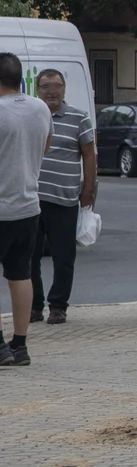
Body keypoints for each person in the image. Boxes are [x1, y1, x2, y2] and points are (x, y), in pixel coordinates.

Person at [30, 69, 96, 326]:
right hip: (31, 199)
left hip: (65, 199)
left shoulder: (79, 118)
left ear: (64, 88)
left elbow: (90, 155)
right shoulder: (31, 116)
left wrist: (88, 189)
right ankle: (34, 306)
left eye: (56, 85)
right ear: (37, 90)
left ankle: (58, 306)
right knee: (29, 257)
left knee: (64, 257)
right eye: (45, 86)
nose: (51, 91)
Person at [0, 53, 52, 367]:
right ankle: (20, 345)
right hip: (28, 205)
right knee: (21, 274)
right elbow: (44, 146)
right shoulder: (40, 108)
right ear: (22, 78)